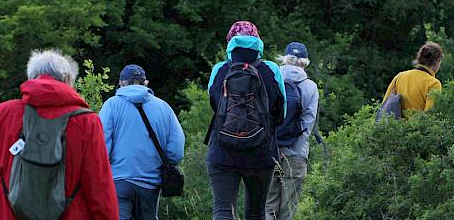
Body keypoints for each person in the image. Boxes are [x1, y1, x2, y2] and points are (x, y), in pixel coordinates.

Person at [0, 49, 118, 219]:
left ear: (31, 78)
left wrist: (14, 194)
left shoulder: (6, 113)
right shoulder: (87, 121)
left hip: (6, 213)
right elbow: (99, 186)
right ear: (67, 80)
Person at [205, 21, 286, 220]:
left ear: (230, 42)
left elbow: (215, 105)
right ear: (258, 41)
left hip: (222, 150)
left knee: (223, 210)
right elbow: (281, 113)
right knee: (256, 213)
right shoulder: (271, 69)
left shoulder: (220, 69)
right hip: (261, 152)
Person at [99, 64, 185, 220]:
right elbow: (176, 151)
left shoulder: (111, 105)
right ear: (146, 82)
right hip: (151, 183)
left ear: (121, 83)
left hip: (119, 181)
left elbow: (101, 148)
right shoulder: (164, 107)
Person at [265, 42, 319, 220]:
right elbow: (307, 126)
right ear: (305, 62)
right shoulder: (310, 87)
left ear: (285, 59)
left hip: (270, 152)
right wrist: (290, 149)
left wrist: (275, 147)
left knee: (267, 207)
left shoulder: (271, 80)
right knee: (288, 210)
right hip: (296, 155)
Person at [381, 42, 444, 117]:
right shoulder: (434, 83)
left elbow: (385, 106)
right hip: (418, 128)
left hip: (396, 127)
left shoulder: (400, 76)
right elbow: (430, 115)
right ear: (438, 61)